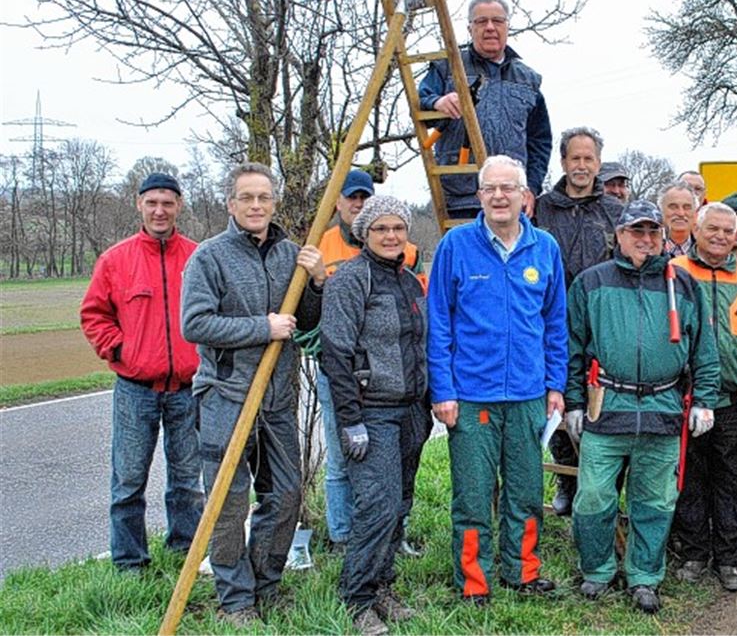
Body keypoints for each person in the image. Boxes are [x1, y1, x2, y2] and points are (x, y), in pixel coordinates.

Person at [181, 162, 326, 625]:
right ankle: (235, 600)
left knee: (285, 495)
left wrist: (316, 282)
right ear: (231, 204)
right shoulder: (209, 257)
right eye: (247, 197)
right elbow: (195, 324)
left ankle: (266, 584)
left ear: (274, 203)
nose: (256, 205)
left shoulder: (290, 255)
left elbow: (307, 319)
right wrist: (261, 328)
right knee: (227, 503)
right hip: (225, 395)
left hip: (277, 397)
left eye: (264, 197)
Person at [564, 200, 719, 613]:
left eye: (653, 232)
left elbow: (704, 349)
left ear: (663, 237)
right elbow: (572, 346)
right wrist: (574, 403)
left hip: (663, 408)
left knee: (654, 502)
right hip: (606, 407)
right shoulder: (591, 282)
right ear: (620, 235)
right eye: (637, 231)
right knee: (593, 498)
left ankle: (644, 576)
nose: (646, 240)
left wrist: (704, 400)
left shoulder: (683, 285)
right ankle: (597, 570)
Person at [426, 155, 568, 605]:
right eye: (490, 188)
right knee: (472, 497)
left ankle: (522, 572)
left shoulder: (544, 247)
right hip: (471, 396)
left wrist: (556, 385)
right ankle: (474, 581)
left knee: (525, 493)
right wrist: (443, 390)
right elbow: (439, 323)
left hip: (528, 394)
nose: (499, 196)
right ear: (480, 195)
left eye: (508, 188)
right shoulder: (456, 246)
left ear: (525, 196)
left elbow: (555, 324)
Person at [79, 172, 202, 573]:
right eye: (152, 203)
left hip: (188, 389)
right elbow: (94, 315)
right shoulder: (115, 260)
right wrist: (120, 350)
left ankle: (185, 552)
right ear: (139, 205)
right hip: (136, 389)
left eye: (167, 203)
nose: (159, 211)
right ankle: (130, 563)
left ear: (179, 206)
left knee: (187, 479)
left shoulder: (197, 258)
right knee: (128, 480)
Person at [319, 195, 428, 636]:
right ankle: (357, 598)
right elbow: (336, 352)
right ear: (364, 233)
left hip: (412, 409)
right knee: (377, 506)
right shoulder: (350, 280)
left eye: (398, 228)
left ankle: (383, 584)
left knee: (399, 504)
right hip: (372, 411)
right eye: (381, 228)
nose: (390, 236)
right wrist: (350, 420)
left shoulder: (410, 281)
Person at [672, 203, 737, 592]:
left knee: (736, 480)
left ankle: (730, 560)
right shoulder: (674, 273)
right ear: (695, 231)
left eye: (727, 230)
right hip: (686, 396)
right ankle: (694, 554)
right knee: (690, 478)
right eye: (712, 228)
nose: (720, 236)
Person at [534, 126, 624, 515]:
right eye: (575, 158)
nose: (582, 165)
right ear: (563, 161)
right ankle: (567, 481)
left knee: (601, 404)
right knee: (557, 399)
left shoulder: (615, 212)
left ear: (598, 164)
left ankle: (603, 486)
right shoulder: (540, 209)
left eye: (589, 159)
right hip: (551, 320)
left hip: (602, 323)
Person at [418, 0, 551, 219]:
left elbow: (539, 141)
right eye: (481, 21)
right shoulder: (447, 68)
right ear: (470, 28)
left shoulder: (528, 80)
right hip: (461, 199)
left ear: (507, 26)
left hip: (511, 201)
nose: (490, 27)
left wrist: (532, 188)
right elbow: (421, 106)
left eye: (497, 21)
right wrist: (437, 103)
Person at [659, 181, 699, 258]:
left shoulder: (706, 250)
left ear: (695, 213)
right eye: (673, 207)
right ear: (661, 211)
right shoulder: (649, 247)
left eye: (687, 207)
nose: (681, 213)